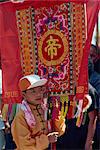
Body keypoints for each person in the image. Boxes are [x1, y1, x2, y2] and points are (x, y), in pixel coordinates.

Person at [11, 74, 66, 150]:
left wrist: (56, 114)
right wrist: (47, 140)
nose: (38, 94)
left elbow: (60, 131)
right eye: (33, 91)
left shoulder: (46, 108)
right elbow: (24, 145)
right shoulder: (21, 116)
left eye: (40, 90)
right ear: (24, 94)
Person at [56, 83, 98, 150]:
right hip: (61, 138)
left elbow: (92, 119)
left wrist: (88, 143)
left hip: (80, 139)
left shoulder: (88, 90)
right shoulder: (58, 86)